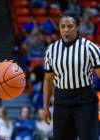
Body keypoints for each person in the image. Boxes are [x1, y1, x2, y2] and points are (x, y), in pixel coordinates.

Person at [43, 10, 100, 140]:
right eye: (62, 26)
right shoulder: (51, 50)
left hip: (84, 100)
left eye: (70, 26)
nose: (66, 30)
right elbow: (48, 80)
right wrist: (45, 107)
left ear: (77, 27)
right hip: (61, 100)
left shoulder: (90, 48)